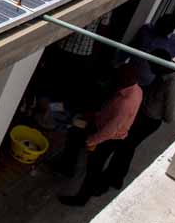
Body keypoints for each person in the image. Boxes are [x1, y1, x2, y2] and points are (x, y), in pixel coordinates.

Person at [58, 63, 143, 207]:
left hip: (106, 138)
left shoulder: (125, 102)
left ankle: (81, 198)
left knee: (92, 169)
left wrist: (91, 141)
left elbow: (109, 131)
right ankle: (67, 167)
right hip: (101, 126)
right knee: (74, 137)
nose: (116, 78)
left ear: (127, 78)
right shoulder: (136, 90)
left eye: (120, 76)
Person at [102, 49, 175, 191]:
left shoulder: (171, 85)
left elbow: (169, 116)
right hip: (142, 114)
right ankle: (114, 177)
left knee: (126, 147)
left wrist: (155, 109)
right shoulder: (161, 76)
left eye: (152, 64)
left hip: (149, 120)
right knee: (125, 147)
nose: (150, 68)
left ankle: (112, 178)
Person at [129, 13, 175, 88]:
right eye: (158, 26)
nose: (158, 30)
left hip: (146, 84)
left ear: (170, 30)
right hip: (128, 75)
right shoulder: (146, 29)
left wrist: (166, 75)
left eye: (162, 29)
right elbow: (132, 45)